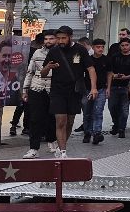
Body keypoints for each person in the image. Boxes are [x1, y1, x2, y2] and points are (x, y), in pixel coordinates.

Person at [43, 25, 96, 158]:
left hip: (74, 91)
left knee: (70, 122)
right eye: (58, 38)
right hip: (57, 91)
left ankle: (61, 146)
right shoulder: (54, 51)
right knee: (61, 121)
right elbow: (43, 73)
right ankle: (63, 152)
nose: (60, 41)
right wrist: (48, 67)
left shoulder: (80, 50)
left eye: (63, 38)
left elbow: (90, 69)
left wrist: (94, 87)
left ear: (70, 37)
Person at [20, 30, 58, 158]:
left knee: (52, 118)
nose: (48, 41)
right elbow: (30, 71)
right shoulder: (37, 53)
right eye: (46, 39)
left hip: (54, 89)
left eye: (51, 39)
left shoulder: (61, 53)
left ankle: (52, 141)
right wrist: (25, 90)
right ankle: (33, 148)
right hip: (37, 88)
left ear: (56, 39)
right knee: (35, 119)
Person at [106, 37, 130, 138]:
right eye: (122, 45)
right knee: (112, 107)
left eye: (126, 45)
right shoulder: (114, 56)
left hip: (127, 86)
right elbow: (109, 70)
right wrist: (114, 76)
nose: (125, 47)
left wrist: (127, 77)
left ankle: (122, 128)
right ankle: (116, 124)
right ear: (119, 46)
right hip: (114, 85)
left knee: (124, 109)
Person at [82, 39, 109, 144]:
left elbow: (109, 74)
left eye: (102, 47)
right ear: (93, 47)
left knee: (98, 112)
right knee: (87, 112)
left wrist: (108, 88)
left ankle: (97, 133)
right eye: (98, 47)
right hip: (87, 89)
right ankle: (87, 132)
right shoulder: (88, 59)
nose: (100, 49)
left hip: (101, 89)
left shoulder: (106, 59)